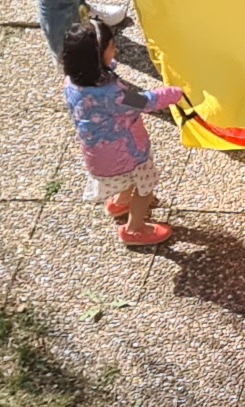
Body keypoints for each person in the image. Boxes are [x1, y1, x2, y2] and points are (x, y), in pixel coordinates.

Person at [62, 19, 182, 246]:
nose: (115, 50)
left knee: (128, 181)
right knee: (145, 188)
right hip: (130, 153)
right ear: (96, 60)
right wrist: (175, 93)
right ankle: (135, 229)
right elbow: (145, 101)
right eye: (111, 47)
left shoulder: (71, 83)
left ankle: (121, 202)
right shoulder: (113, 94)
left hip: (98, 156)